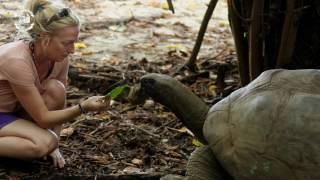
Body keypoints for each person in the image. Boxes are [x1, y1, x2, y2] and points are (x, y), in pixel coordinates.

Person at [0, 0, 108, 168]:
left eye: (74, 41)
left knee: (56, 89)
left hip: (13, 112)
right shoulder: (17, 60)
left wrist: (55, 146)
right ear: (45, 38)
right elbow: (43, 119)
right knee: (43, 143)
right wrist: (82, 107)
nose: (72, 49)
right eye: (66, 42)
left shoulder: (59, 58)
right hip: (3, 114)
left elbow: (57, 101)